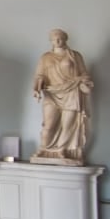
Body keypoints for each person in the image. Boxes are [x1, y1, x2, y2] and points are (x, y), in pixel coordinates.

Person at [32, 29, 93, 163]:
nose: (57, 41)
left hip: (71, 92)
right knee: (48, 125)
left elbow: (84, 73)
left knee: (68, 125)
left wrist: (84, 82)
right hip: (51, 93)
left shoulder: (75, 56)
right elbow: (39, 75)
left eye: (60, 38)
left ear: (65, 39)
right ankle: (43, 148)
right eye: (54, 39)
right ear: (51, 41)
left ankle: (61, 150)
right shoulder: (45, 57)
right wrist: (37, 88)